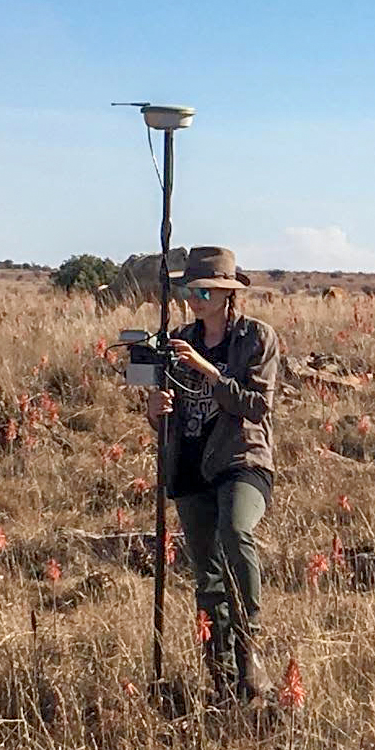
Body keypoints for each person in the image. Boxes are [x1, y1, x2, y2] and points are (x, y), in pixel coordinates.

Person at [144, 246, 281, 705]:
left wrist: (208, 371)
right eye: (190, 290)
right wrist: (154, 409)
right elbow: (168, 413)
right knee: (207, 578)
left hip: (242, 459)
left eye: (204, 290)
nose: (195, 298)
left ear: (227, 294)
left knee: (236, 530)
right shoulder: (179, 338)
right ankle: (223, 681)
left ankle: (250, 645)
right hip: (191, 462)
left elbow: (257, 406)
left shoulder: (256, 339)